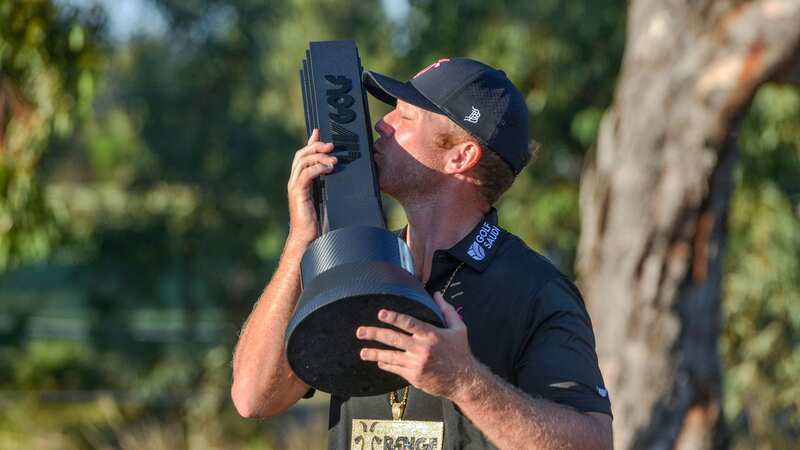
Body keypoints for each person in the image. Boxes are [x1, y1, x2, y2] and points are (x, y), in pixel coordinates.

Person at [231, 58, 613, 450]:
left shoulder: (536, 289)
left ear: (460, 156)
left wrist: (465, 382)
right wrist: (301, 239)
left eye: (406, 116)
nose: (382, 123)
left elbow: (594, 442)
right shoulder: (355, 263)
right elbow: (254, 397)